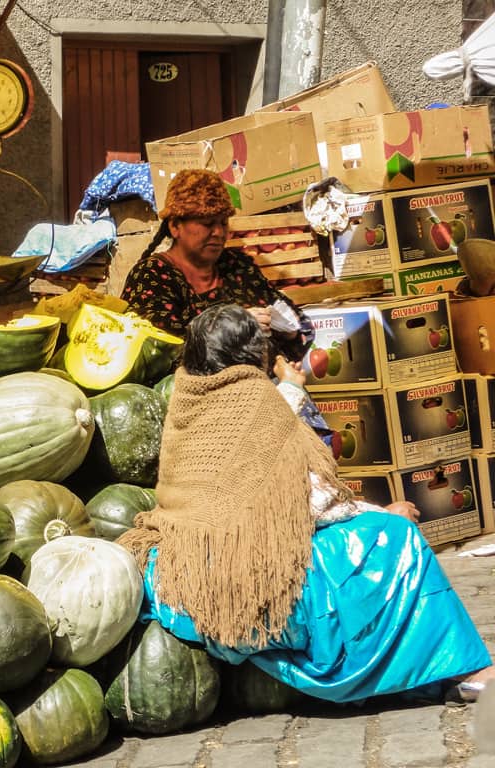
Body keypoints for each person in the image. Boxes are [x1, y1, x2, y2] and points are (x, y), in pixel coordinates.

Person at [116, 303, 493, 704]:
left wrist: (290, 392)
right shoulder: (255, 401)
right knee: (393, 536)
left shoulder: (185, 399)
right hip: (249, 605)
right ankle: (467, 672)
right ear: (255, 353)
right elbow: (311, 507)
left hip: (184, 599)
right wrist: (380, 513)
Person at [120, 168, 313, 363]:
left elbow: (301, 325)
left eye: (223, 223)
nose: (219, 232)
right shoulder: (151, 277)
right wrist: (235, 328)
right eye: (207, 224)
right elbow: (162, 353)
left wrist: (289, 332)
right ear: (175, 226)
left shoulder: (237, 266)